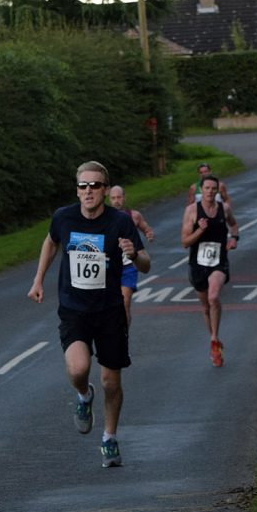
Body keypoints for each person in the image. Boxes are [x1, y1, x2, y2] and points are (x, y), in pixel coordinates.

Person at [27, 162, 149, 469]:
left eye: (95, 186)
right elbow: (51, 241)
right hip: (74, 309)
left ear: (106, 190)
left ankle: (109, 438)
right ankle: (83, 396)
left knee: (111, 382)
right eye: (83, 186)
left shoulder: (120, 222)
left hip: (110, 311)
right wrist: (38, 279)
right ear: (77, 189)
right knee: (79, 369)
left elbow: (146, 262)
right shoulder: (63, 217)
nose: (89, 191)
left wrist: (133, 254)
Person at [181, 174, 239, 367]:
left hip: (218, 261)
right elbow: (184, 242)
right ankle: (214, 339)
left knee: (214, 296)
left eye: (214, 189)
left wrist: (234, 239)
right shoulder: (191, 211)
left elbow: (234, 225)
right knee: (205, 306)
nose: (210, 192)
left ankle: (214, 340)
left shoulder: (224, 208)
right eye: (206, 188)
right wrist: (200, 230)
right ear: (201, 190)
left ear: (218, 191)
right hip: (197, 264)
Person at [108, 185, 154, 325]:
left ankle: (124, 335)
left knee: (125, 301)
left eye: (119, 197)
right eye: (113, 198)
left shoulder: (134, 216)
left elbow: (145, 228)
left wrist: (149, 234)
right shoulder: (104, 217)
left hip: (129, 265)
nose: (116, 201)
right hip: (110, 266)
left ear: (124, 198)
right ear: (109, 199)